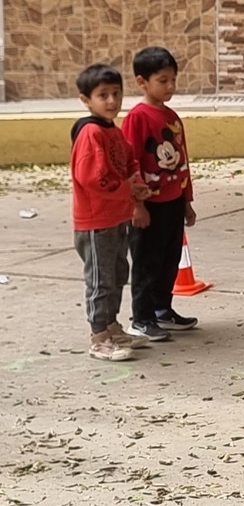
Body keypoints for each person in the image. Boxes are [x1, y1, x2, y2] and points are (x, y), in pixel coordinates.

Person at [70, 64, 152, 361]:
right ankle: (99, 337)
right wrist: (127, 190)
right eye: (102, 95)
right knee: (101, 279)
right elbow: (93, 178)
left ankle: (113, 326)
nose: (111, 101)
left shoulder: (113, 131)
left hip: (117, 217)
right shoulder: (91, 133)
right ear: (85, 99)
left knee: (118, 272)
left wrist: (137, 185)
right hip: (96, 222)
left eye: (116, 93)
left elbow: (129, 164)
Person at [121, 46, 197, 342]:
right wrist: (137, 205)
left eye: (173, 80)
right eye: (162, 80)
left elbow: (183, 161)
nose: (170, 87)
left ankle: (163, 310)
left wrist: (187, 201)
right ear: (142, 82)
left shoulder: (173, 117)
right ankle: (141, 317)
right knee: (146, 261)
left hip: (173, 201)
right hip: (149, 204)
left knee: (169, 258)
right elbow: (131, 164)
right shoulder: (137, 118)